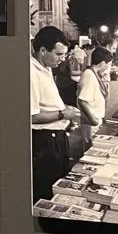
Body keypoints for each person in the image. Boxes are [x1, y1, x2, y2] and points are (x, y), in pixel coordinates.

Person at [30, 26, 80, 205]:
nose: (62, 59)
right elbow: (31, 117)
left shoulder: (46, 67)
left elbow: (47, 103)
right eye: (59, 54)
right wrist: (63, 114)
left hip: (56, 138)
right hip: (44, 144)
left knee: (59, 186)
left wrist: (66, 113)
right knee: (46, 191)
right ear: (43, 51)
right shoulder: (30, 72)